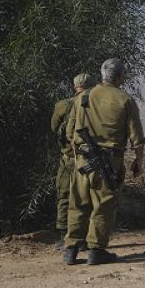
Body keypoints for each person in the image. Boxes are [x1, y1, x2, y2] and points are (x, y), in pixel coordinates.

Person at [63, 58, 145, 265]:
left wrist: (78, 155)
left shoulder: (83, 97)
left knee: (78, 203)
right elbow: (137, 138)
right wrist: (138, 161)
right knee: (103, 206)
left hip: (83, 160)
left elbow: (70, 133)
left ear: (102, 74)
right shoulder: (125, 100)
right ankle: (96, 250)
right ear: (120, 76)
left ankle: (71, 250)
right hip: (109, 162)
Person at [50, 73, 95, 250]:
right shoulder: (97, 104)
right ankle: (87, 237)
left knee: (64, 195)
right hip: (92, 159)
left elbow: (54, 127)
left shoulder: (64, 105)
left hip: (69, 158)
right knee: (89, 197)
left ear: (75, 86)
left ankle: (64, 236)